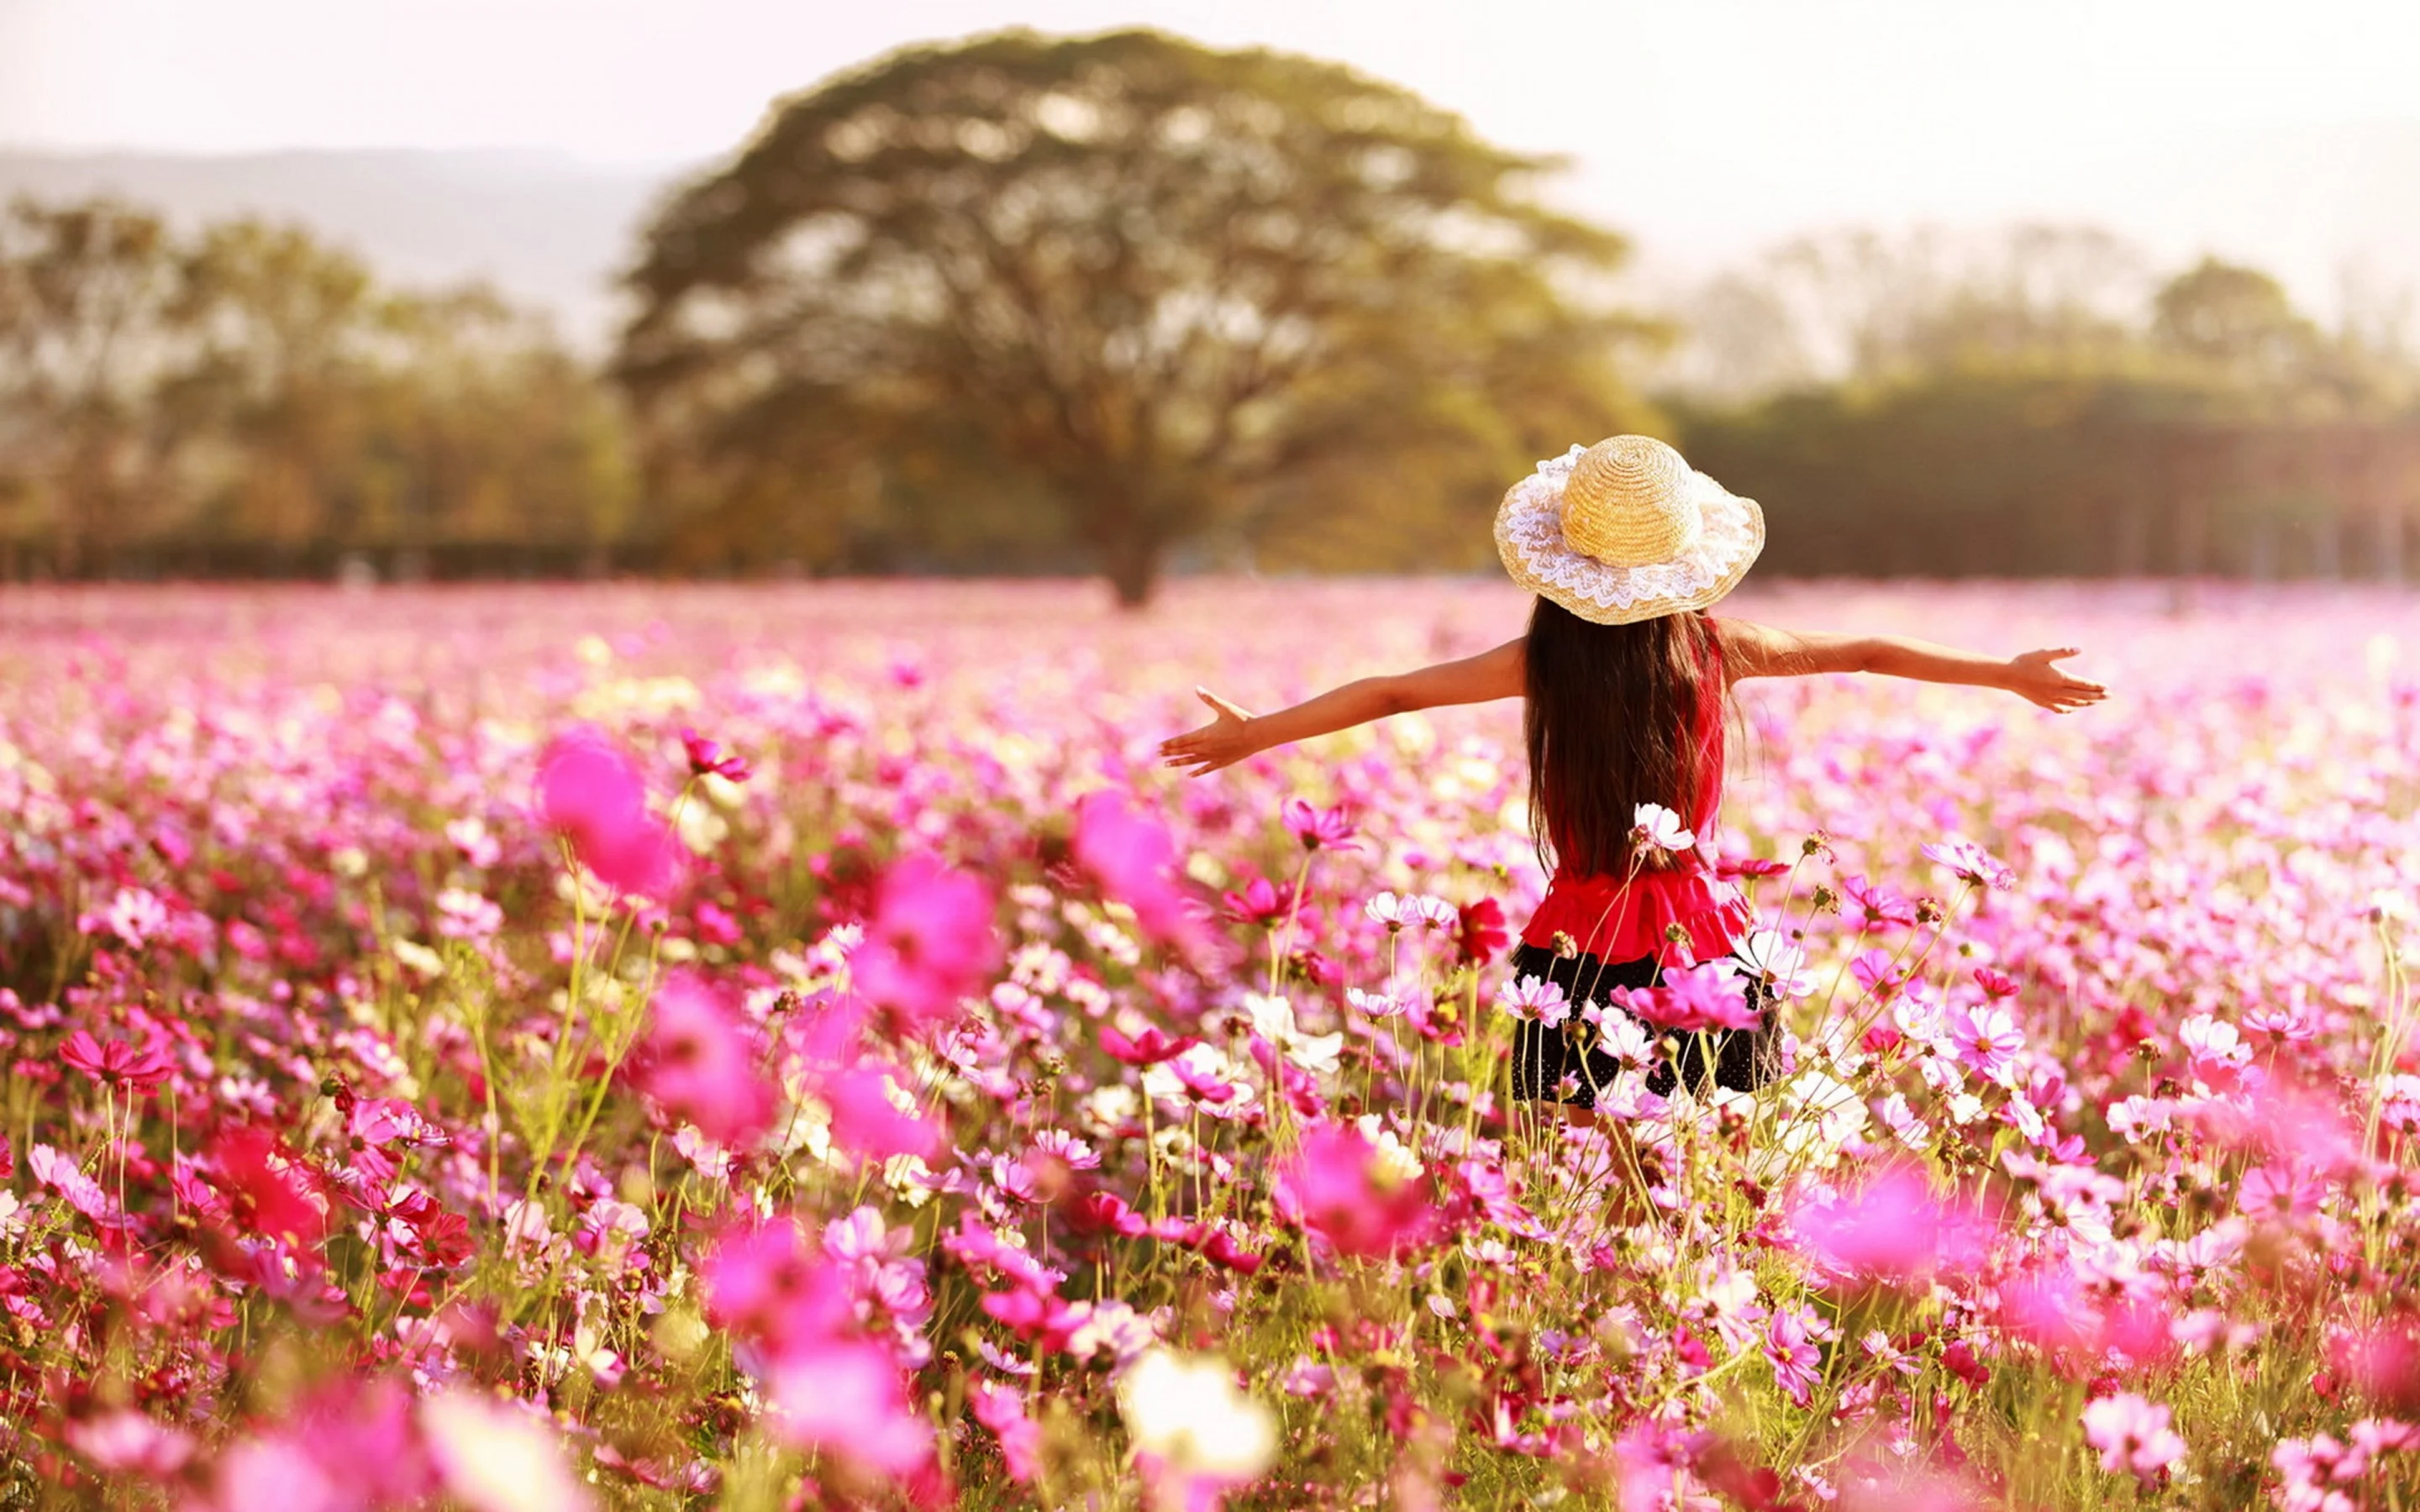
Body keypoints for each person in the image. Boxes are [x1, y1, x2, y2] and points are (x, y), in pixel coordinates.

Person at [1159, 434, 2106, 1125]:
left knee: (1600, 1121)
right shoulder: (1714, 647)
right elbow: (1866, 649)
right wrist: (2006, 673)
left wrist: (1258, 735)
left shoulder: (1544, 660)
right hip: (1696, 928)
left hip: (1579, 925)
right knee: (1683, 1126)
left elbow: (1396, 691)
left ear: (1565, 566)